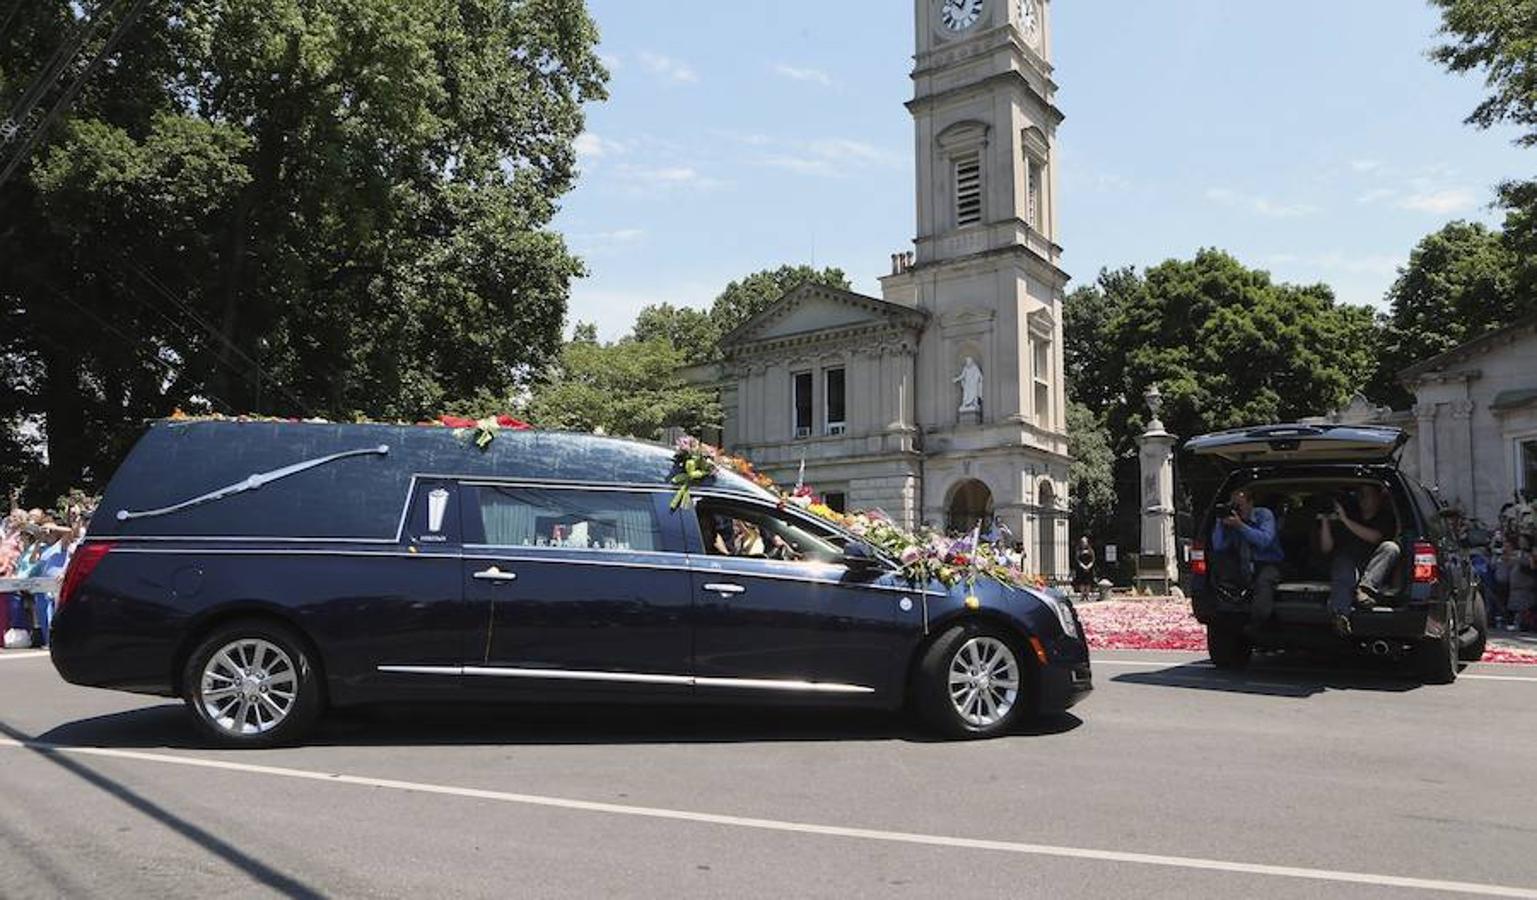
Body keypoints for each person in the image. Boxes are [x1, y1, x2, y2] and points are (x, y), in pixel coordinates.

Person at [1318, 483, 1399, 637]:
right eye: (1359, 494)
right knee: (1342, 563)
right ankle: (1340, 616)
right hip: (1348, 565)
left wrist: (1345, 520)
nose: (1362, 499)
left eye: (1366, 494)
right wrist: (1325, 521)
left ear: (1378, 497)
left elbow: (1375, 537)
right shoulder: (1350, 514)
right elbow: (1326, 549)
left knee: (1391, 548)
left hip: (1373, 568)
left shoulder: (1385, 516)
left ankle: (1364, 591)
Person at [1210, 488, 1285, 622]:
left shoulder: (1264, 515)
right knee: (1224, 577)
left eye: (1240, 505)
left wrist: (1240, 526)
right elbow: (1218, 546)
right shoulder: (1232, 521)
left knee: (1263, 583)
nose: (1237, 509)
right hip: (1243, 563)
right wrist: (1220, 522)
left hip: (1268, 562)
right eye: (1234, 505)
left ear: (1251, 503)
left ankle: (1259, 622)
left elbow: (1264, 541)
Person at [1071, 537, 1097, 602]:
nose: (1084, 543)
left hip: (1089, 568)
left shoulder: (1090, 550)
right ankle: (1082, 595)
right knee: (1081, 582)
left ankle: (1087, 596)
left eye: (1085, 542)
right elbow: (1077, 559)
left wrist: (1089, 565)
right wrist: (1082, 566)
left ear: (1087, 542)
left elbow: (1093, 559)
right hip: (1081, 568)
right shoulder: (1078, 550)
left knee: (1088, 582)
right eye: (1082, 542)